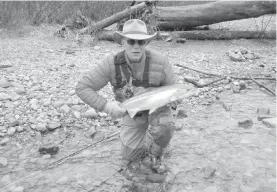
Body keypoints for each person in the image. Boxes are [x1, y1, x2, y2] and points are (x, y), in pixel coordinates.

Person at [75, 19, 179, 174]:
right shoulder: (111, 64)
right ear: (122, 42)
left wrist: (175, 99)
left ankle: (156, 153)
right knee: (131, 159)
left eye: (141, 42)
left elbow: (175, 90)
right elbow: (82, 87)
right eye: (131, 41)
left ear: (146, 43)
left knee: (165, 125)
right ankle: (149, 139)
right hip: (131, 114)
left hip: (157, 110)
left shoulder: (161, 61)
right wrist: (106, 106)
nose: (136, 46)